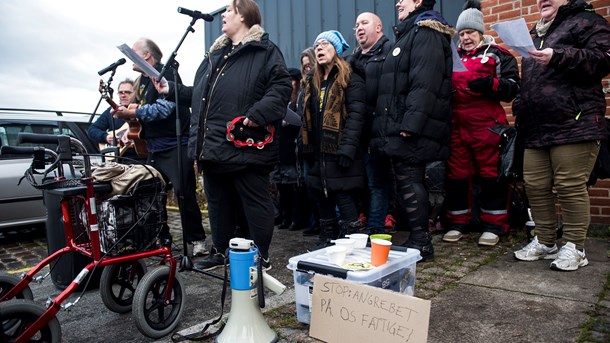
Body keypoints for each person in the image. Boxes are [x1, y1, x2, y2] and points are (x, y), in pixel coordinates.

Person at [155, 0, 291, 271]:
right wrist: (170, 89)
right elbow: (199, 96)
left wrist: (257, 114)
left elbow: (281, 87)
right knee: (218, 203)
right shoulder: (216, 55)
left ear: (243, 16)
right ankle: (221, 251)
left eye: (229, 10)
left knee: (255, 201)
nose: (224, 15)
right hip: (213, 145)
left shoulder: (264, 50)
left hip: (246, 141)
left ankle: (260, 255)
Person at [513, 0, 610, 271]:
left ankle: (575, 247)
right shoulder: (535, 33)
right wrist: (522, 105)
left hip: (574, 121)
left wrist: (559, 55)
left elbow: (603, 59)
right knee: (535, 184)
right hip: (537, 125)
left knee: (569, 185)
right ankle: (545, 241)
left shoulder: (586, 21)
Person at [371, 0, 454, 262]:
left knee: (409, 178)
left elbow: (424, 81)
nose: (397, 2)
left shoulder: (426, 31)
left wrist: (411, 123)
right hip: (402, 121)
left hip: (411, 125)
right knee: (406, 177)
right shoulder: (411, 32)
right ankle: (418, 237)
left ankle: (421, 240)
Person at [113, 38, 207, 257]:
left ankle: (197, 240)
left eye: (134, 52)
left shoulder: (168, 74)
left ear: (146, 55)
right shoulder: (141, 82)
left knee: (184, 194)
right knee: (153, 196)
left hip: (176, 145)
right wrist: (125, 113)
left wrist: (132, 113)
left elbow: (164, 110)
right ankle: (161, 238)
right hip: (153, 148)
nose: (130, 58)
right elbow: (140, 110)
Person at [442, 0, 520, 246]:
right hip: (457, 124)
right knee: (457, 176)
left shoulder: (498, 55)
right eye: (462, 33)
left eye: (470, 33)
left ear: (481, 33)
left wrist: (491, 85)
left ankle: (493, 225)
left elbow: (513, 88)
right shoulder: (450, 58)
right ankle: (457, 223)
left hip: (487, 124)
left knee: (490, 176)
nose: (465, 38)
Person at [301, 30, 366, 251]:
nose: (319, 48)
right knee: (321, 198)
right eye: (316, 44)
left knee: (344, 197)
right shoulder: (313, 82)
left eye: (325, 44)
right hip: (318, 152)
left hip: (340, 152)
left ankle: (353, 242)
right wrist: (305, 147)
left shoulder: (350, 78)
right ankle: (327, 238)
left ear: (336, 49)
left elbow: (357, 116)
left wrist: (347, 148)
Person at [348, 12, 393, 235]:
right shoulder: (352, 60)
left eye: (364, 23)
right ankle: (364, 229)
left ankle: (375, 232)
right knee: (361, 184)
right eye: (356, 25)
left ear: (379, 27)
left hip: (379, 132)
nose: (359, 28)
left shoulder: (390, 53)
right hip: (358, 133)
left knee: (377, 184)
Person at [271, 68, 311, 232]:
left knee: (295, 187)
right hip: (280, 150)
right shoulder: (283, 102)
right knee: (282, 188)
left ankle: (297, 218)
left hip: (292, 150)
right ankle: (285, 217)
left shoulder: (297, 103)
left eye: (291, 81)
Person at [297, 47, 323, 238]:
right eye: (304, 66)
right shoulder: (302, 86)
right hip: (303, 142)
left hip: (316, 142)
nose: (307, 68)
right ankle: (315, 222)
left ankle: (324, 224)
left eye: (309, 64)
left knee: (319, 186)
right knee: (309, 186)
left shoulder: (318, 83)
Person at [89, 79, 146, 162]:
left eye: (128, 92)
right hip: (117, 159)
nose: (123, 95)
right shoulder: (111, 112)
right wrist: (106, 137)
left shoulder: (142, 111)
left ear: (135, 93)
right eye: (120, 92)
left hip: (139, 159)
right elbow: (92, 130)